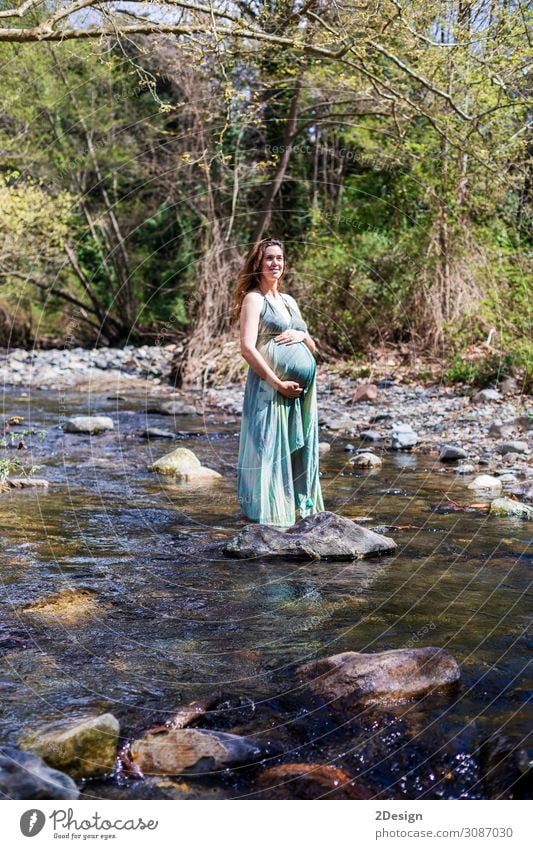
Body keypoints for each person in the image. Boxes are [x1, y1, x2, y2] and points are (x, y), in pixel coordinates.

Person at [231, 237, 325, 528]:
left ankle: (292, 508)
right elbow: (247, 348)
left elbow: (313, 349)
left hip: (299, 394)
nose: (275, 263)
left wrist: (303, 337)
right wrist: (277, 383)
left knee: (296, 448)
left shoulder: (289, 302)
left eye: (279, 259)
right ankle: (261, 517)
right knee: (266, 448)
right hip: (268, 390)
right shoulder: (253, 299)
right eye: (269, 258)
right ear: (258, 263)